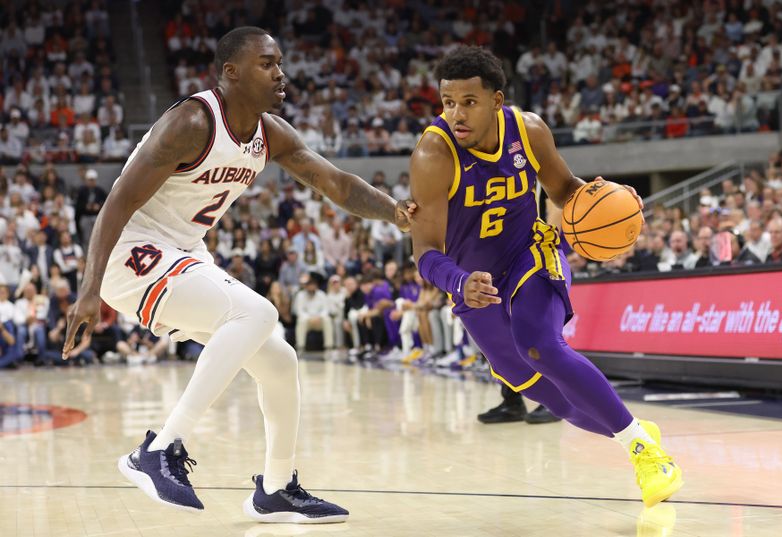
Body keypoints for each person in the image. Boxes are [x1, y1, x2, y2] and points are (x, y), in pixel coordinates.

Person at [62, 27, 414, 523]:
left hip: (182, 253)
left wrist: (397, 213)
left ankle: (275, 489)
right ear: (231, 72)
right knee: (257, 311)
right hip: (133, 253)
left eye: (280, 63)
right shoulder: (190, 121)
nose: (280, 73)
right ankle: (158, 450)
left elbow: (336, 183)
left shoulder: (271, 132)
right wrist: (89, 290)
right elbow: (116, 202)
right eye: (267, 64)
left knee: (279, 359)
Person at [408, 46, 682, 508]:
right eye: (448, 101)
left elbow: (566, 190)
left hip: (529, 255)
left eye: (469, 102)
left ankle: (646, 454)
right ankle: (634, 431)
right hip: (474, 284)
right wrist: (458, 282)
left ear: (496, 101)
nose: (456, 113)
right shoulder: (433, 154)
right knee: (561, 402)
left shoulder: (527, 130)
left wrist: (611, 199)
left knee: (540, 343)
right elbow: (424, 252)